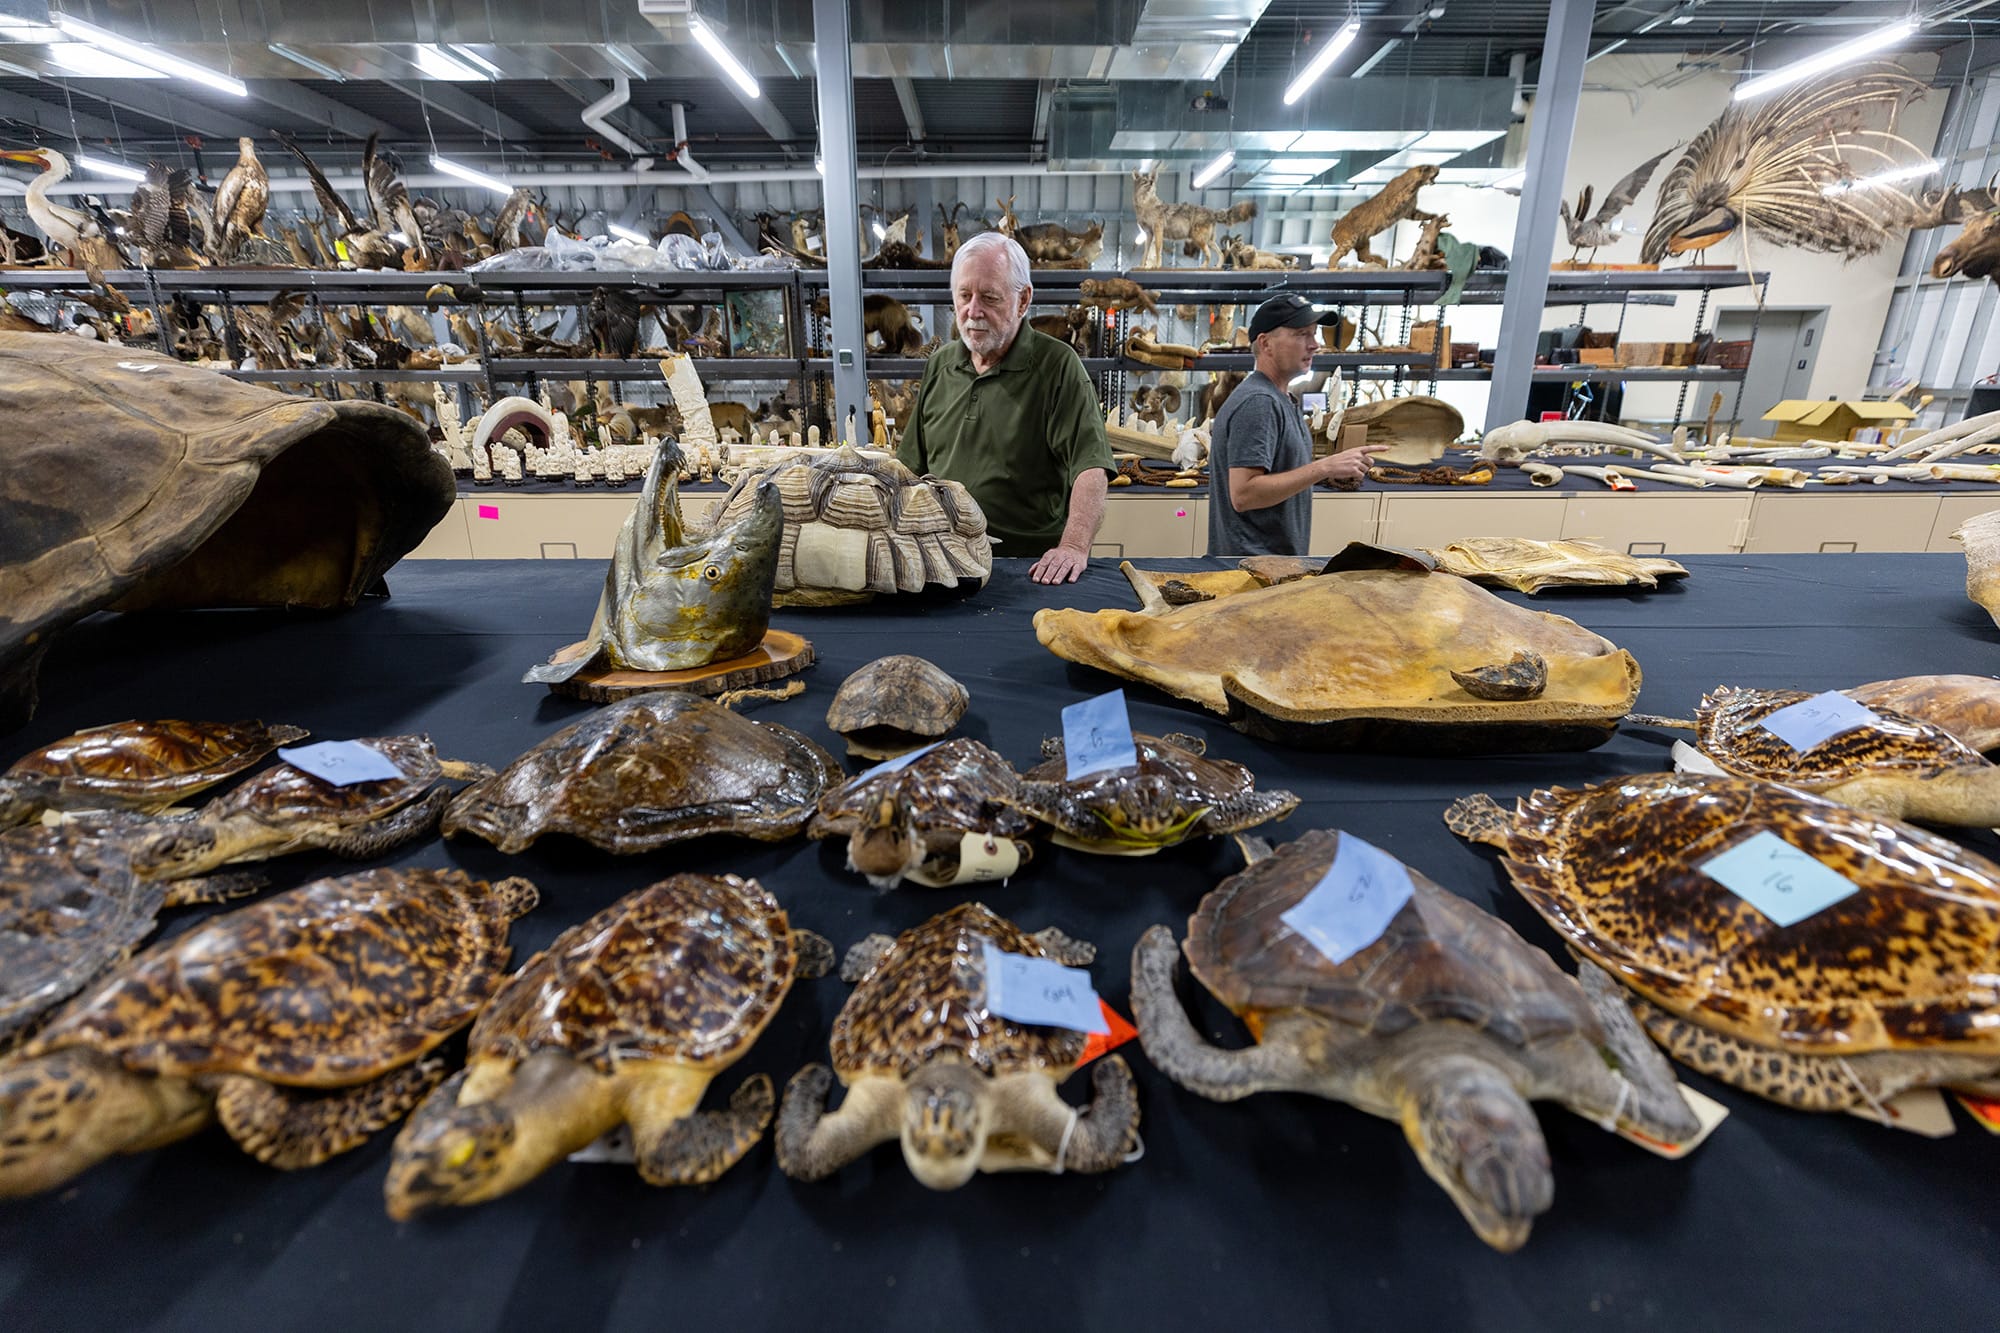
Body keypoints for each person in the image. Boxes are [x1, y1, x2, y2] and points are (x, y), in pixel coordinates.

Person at [897, 231, 1114, 584]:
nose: (973, 311)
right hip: (943, 564)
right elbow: (908, 471)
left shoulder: (1057, 366)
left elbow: (1091, 468)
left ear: (1023, 300)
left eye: (990, 297)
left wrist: (1073, 547)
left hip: (1027, 568)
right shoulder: (940, 365)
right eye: (964, 296)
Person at [1207, 293, 1388, 557]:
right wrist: (1324, 467)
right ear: (1266, 344)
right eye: (1302, 334)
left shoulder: (1281, 399)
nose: (1314, 345)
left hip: (1269, 568)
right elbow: (1244, 494)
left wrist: (1332, 466)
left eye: (1314, 334)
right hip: (1252, 572)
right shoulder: (1260, 402)